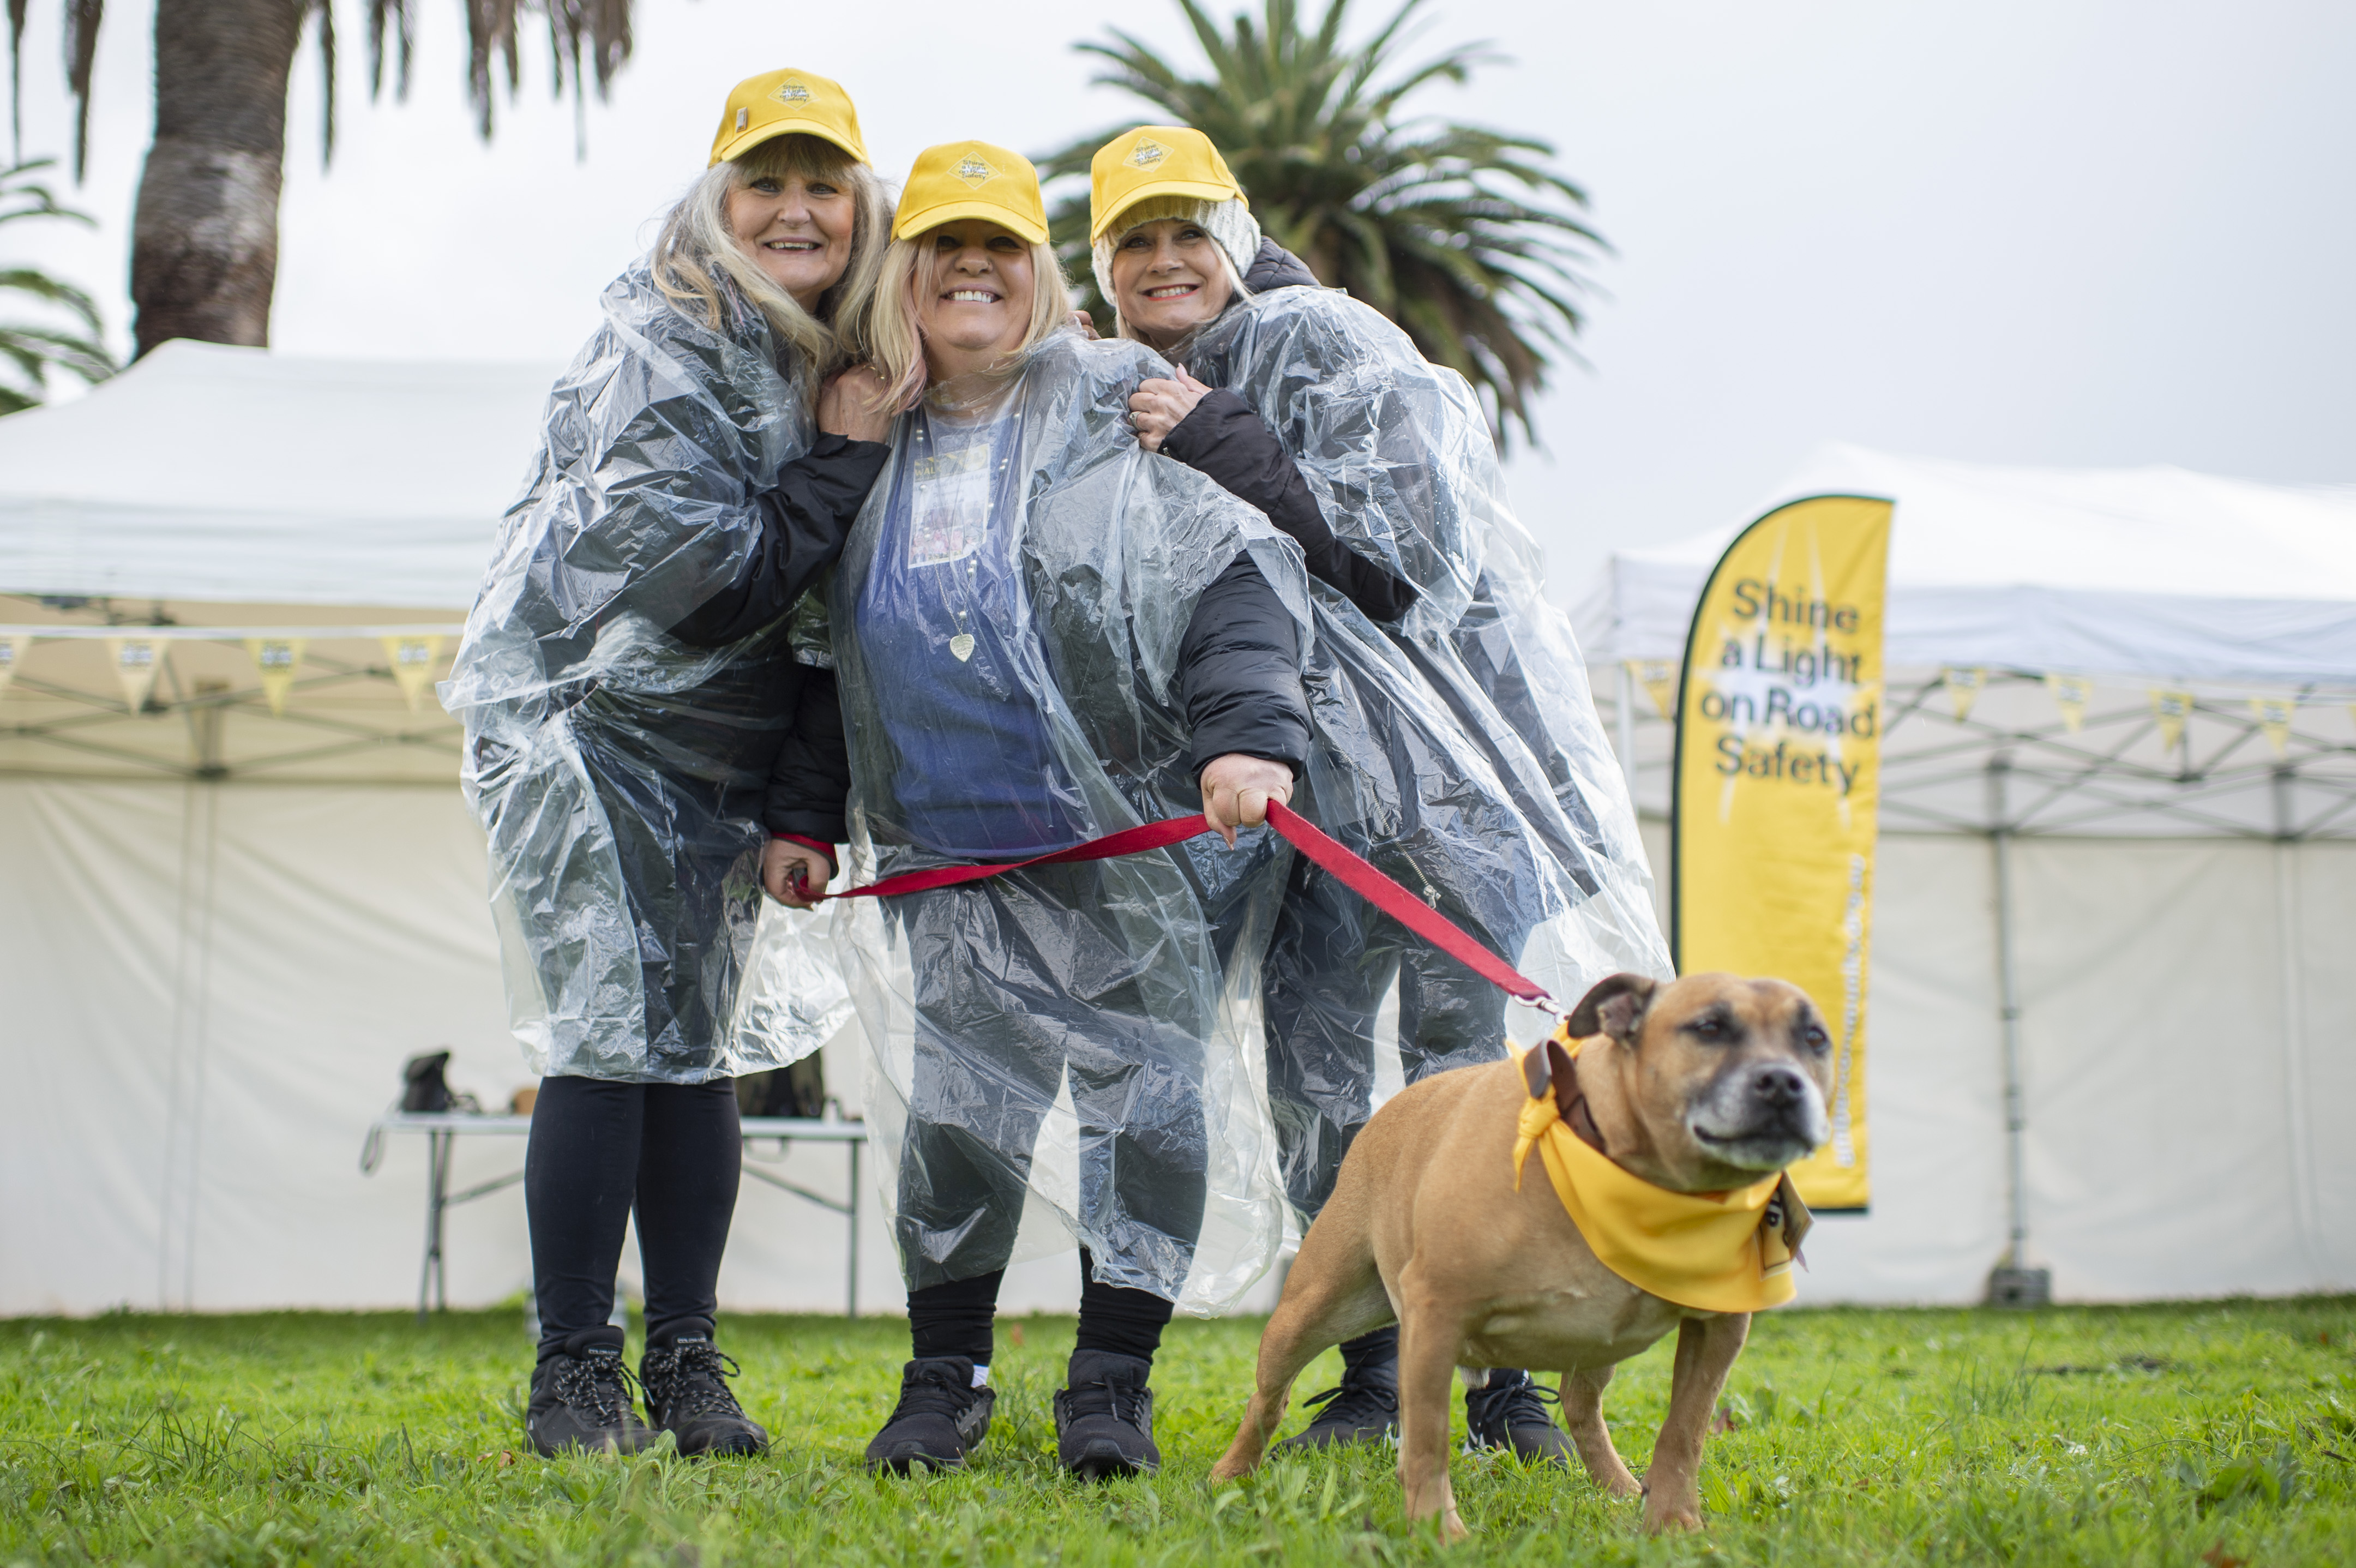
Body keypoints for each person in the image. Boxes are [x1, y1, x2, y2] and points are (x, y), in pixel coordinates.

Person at [1085, 126, 1674, 1461]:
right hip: (1304, 807)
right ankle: (1371, 1372)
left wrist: (1224, 439)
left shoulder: (1328, 344)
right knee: (1321, 1085)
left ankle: (1503, 1384)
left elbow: (1415, 556)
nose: (1166, 258)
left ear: (1234, 235)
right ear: (1104, 265)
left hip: (1452, 799)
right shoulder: (1135, 386)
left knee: (1476, 1079)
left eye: (1190, 229)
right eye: (1137, 239)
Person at [758, 141, 1309, 1480]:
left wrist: (1248, 741)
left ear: (1039, 272)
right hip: (952, 855)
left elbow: (1234, 577)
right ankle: (942, 1382)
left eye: (997, 244)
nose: (968, 269)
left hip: (1126, 849)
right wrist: (806, 817)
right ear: (903, 278)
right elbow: (842, 666)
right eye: (940, 247)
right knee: (959, 1120)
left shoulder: (1118, 403)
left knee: (1148, 1113)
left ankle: (1110, 1388)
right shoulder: (866, 440)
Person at [442, 69, 894, 1458]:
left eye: (825, 183)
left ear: (863, 208)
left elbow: (826, 624)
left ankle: (687, 1361)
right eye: (768, 181)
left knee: (691, 1049)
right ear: (720, 201)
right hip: (587, 733)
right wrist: (838, 460)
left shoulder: (840, 358)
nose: (797, 208)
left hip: (720, 754)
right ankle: (571, 1371)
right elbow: (705, 585)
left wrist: (797, 801)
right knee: (606, 1037)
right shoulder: (669, 345)